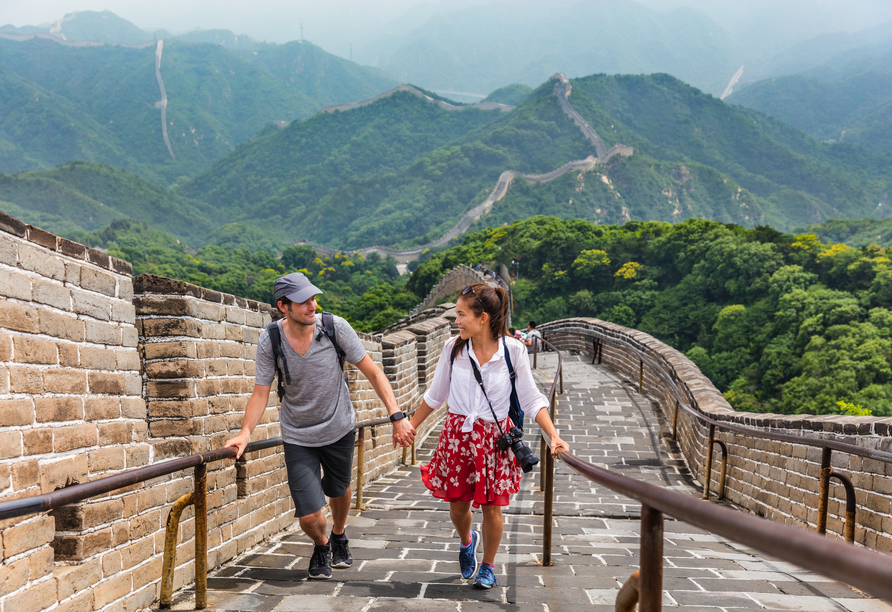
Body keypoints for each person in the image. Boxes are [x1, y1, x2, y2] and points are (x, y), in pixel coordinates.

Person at [225, 272, 414, 580]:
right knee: (309, 515)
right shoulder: (271, 339)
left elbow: (373, 371)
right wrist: (245, 433)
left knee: (339, 489)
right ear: (283, 306)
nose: (312, 306)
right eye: (303, 302)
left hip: (339, 428)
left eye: (313, 299)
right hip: (298, 435)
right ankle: (322, 544)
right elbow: (261, 392)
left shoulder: (335, 328)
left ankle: (339, 534)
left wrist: (396, 414)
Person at [404, 283, 569, 589]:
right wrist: (410, 426)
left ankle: (488, 566)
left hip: (494, 439)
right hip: (458, 436)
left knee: (492, 505)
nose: (456, 321)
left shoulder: (513, 351)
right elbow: (435, 396)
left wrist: (553, 435)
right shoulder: (453, 349)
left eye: (461, 314)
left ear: (482, 318)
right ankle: (468, 541)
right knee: (458, 507)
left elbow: (531, 399)